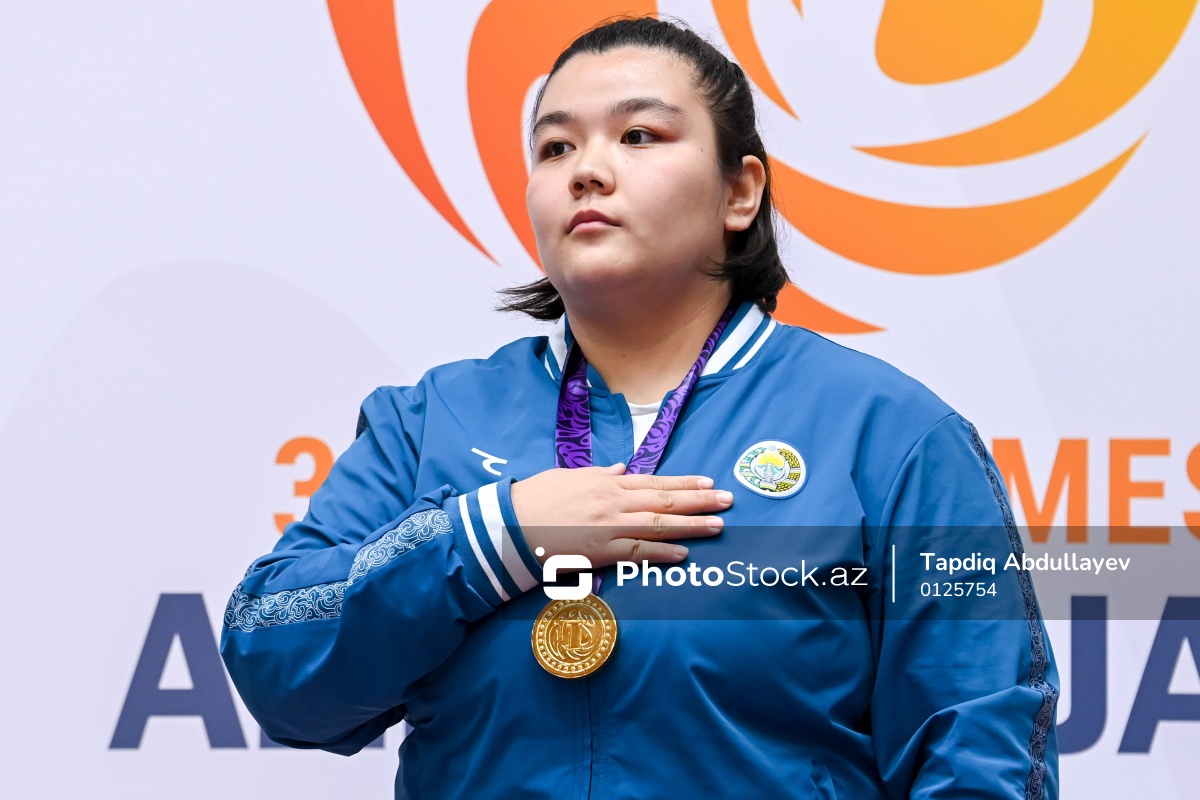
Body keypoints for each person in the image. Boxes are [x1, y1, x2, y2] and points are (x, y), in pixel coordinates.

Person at [221, 17, 1059, 800]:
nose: (586, 169)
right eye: (555, 147)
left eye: (639, 136)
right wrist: (492, 538)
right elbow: (274, 663)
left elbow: (978, 748)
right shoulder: (429, 421)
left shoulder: (889, 433)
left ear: (740, 193)